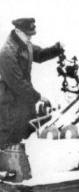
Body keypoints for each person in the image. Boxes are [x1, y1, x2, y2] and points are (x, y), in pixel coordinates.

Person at [0, 18, 64, 147]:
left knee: (30, 136)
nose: (30, 37)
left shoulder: (26, 44)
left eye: (31, 34)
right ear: (17, 31)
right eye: (27, 34)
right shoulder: (7, 53)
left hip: (26, 101)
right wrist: (38, 97)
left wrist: (57, 49)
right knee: (10, 142)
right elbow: (17, 84)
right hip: (11, 105)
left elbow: (39, 55)